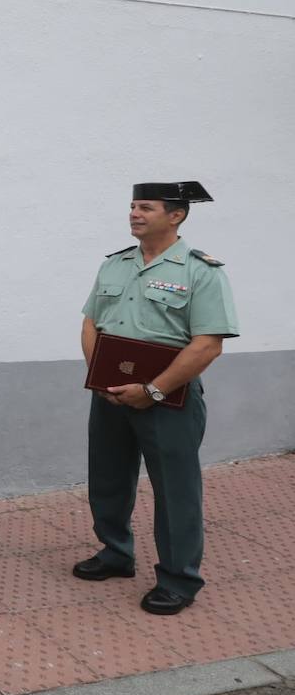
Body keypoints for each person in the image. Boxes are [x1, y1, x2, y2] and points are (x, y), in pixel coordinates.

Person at [75, 180, 238, 615]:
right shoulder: (114, 264)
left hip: (169, 400)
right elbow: (92, 324)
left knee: (175, 489)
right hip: (110, 394)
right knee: (108, 477)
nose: (134, 213)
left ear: (176, 215)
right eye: (131, 206)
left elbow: (208, 344)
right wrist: (101, 381)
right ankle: (115, 554)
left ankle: (179, 578)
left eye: (145, 207)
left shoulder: (200, 271)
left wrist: (152, 390)